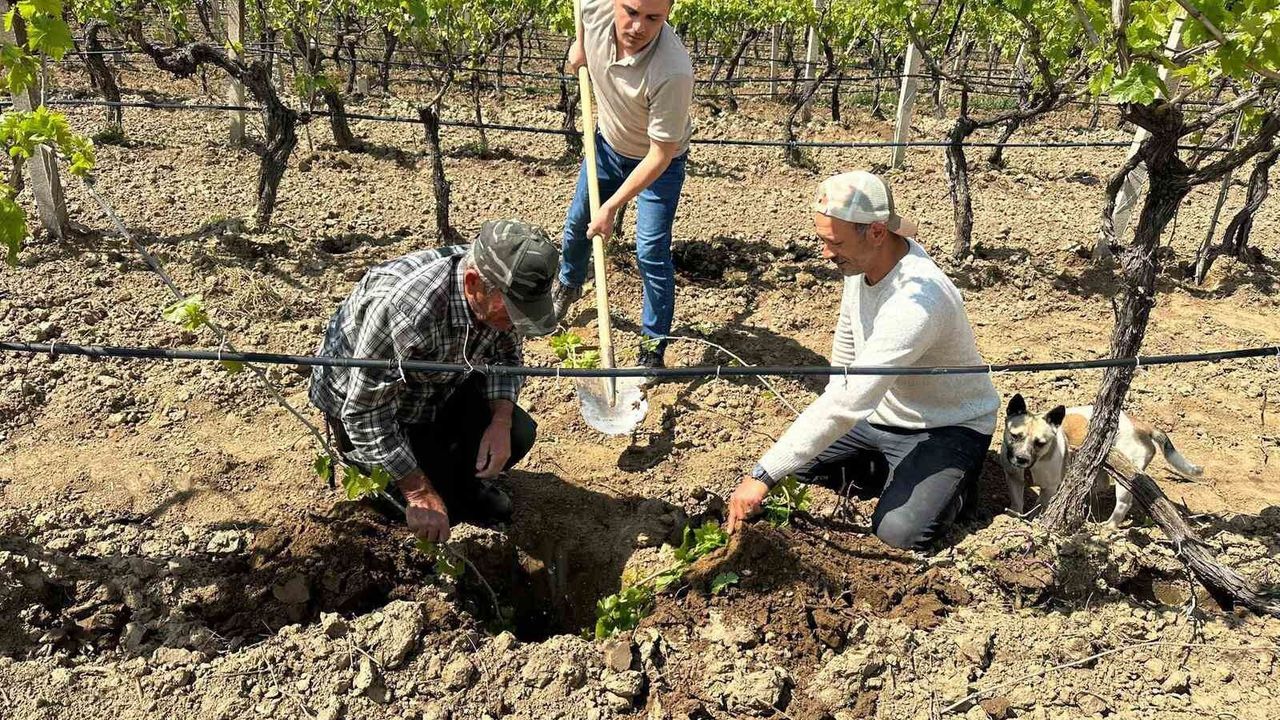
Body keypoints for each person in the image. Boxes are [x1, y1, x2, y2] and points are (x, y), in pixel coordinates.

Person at [725, 172, 1000, 550]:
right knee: (798, 469)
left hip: (946, 425)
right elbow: (845, 357)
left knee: (898, 533)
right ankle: (897, 476)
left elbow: (850, 400)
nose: (826, 253)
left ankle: (953, 490)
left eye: (834, 242)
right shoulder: (861, 264)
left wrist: (762, 474)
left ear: (876, 232)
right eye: (823, 240)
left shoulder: (917, 302)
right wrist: (781, 465)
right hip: (879, 415)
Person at [309, 220, 559, 543]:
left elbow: (506, 358)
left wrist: (501, 420)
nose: (516, 322)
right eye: (512, 311)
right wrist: (418, 491)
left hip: (434, 390)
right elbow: (364, 414)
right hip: (367, 412)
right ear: (473, 283)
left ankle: (462, 487)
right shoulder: (407, 309)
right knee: (430, 513)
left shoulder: (500, 288)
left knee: (517, 433)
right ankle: (424, 490)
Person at [554, 0, 694, 369]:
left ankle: (653, 345)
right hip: (607, 146)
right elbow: (582, 6)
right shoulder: (597, 9)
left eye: (653, 18)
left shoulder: (673, 71)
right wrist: (580, 44)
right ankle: (568, 283)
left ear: (668, 14)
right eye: (630, 12)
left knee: (650, 251)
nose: (638, 27)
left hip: (658, 165)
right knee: (577, 225)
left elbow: (660, 155)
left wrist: (611, 207)